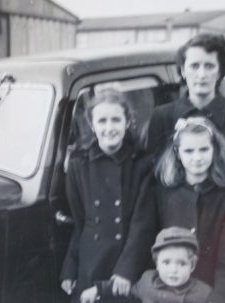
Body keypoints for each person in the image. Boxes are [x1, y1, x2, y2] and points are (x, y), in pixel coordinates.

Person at [147, 33, 225, 302]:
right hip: (176, 244)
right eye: (194, 66)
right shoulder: (163, 116)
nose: (201, 74)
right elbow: (153, 179)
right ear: (182, 70)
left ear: (220, 71)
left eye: (209, 66)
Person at [60, 87, 154, 303]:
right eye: (102, 121)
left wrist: (125, 271)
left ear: (127, 122)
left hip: (127, 265)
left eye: (116, 120)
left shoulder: (141, 164)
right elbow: (81, 223)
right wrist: (70, 267)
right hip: (91, 265)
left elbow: (143, 225)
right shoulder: (78, 166)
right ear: (92, 125)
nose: (109, 128)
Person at [154, 117, 225, 303]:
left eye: (204, 149)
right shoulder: (165, 194)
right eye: (189, 151)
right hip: (171, 290)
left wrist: (219, 299)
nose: (197, 158)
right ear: (177, 153)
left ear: (214, 150)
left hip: (212, 291)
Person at [88, 227, 212, 303]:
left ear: (192, 266)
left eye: (182, 264)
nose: (173, 270)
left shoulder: (203, 293)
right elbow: (126, 289)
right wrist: (98, 289)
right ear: (157, 264)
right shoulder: (148, 281)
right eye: (166, 262)